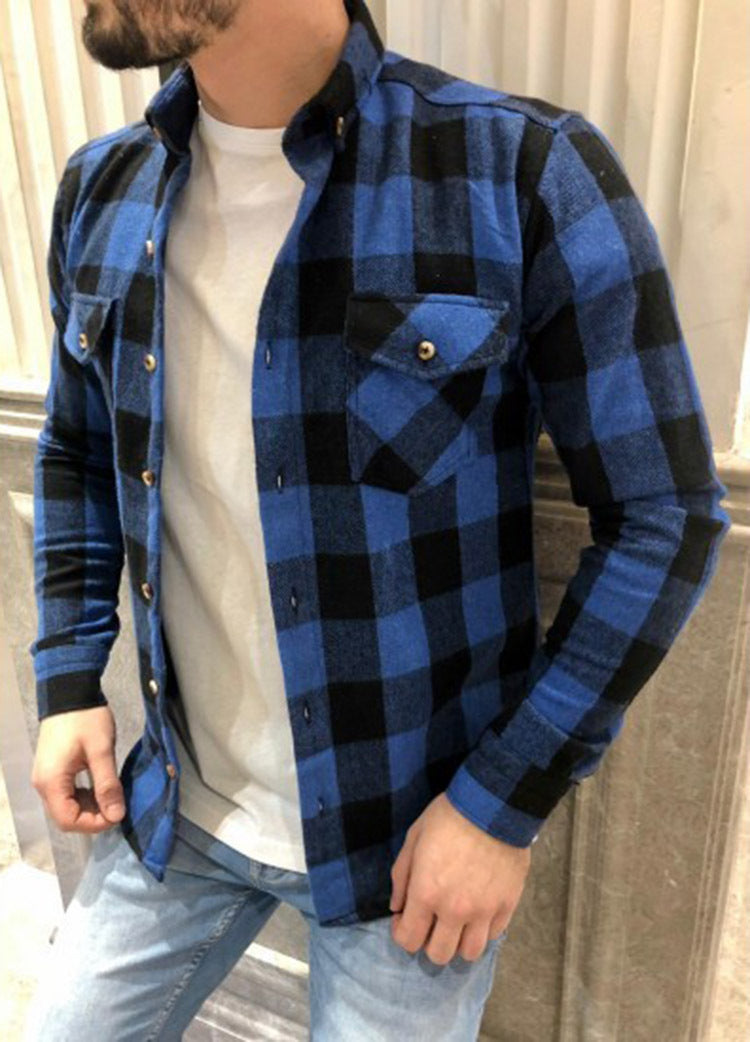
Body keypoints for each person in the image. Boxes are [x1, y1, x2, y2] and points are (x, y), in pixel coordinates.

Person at [23, 0, 731, 1038]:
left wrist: (501, 804)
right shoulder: (102, 192)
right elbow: (77, 452)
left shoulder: (520, 170)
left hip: (415, 840)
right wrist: (68, 679)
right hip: (178, 802)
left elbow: (665, 516)